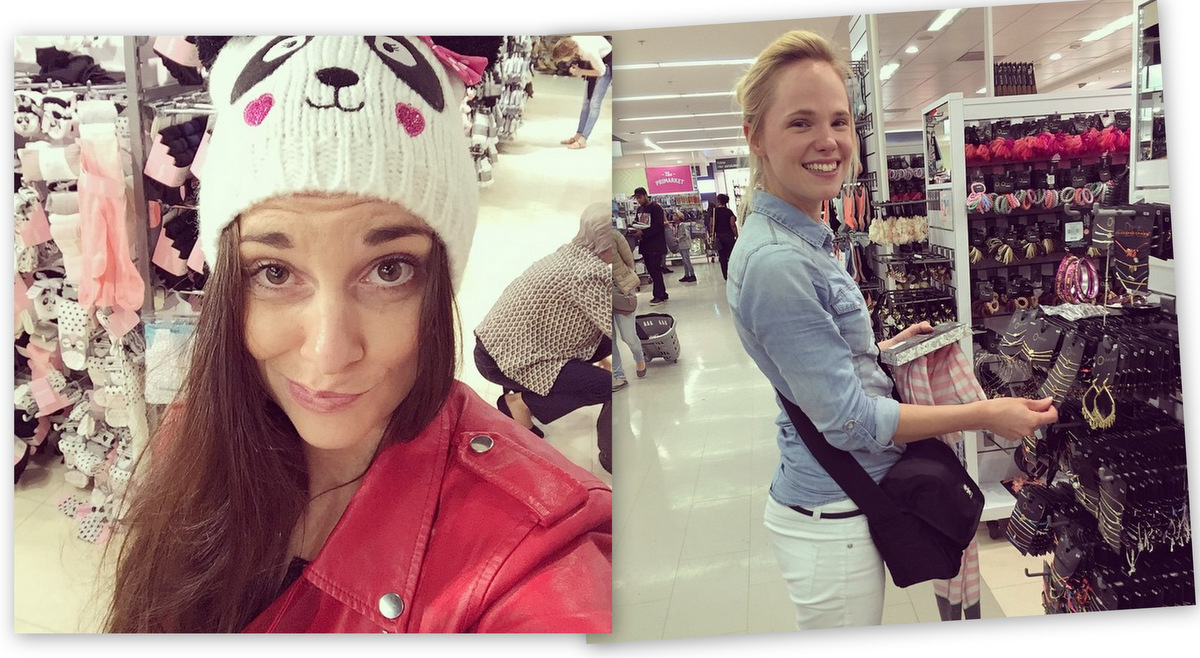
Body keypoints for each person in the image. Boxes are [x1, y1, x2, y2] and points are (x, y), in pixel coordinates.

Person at [103, 36, 611, 634]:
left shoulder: (534, 553)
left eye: (389, 270)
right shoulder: (192, 434)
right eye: (274, 272)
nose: (329, 353)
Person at [726, 30, 1059, 631]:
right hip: (833, 511)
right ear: (757, 137)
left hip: (837, 498)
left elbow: (811, 367)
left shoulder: (801, 237)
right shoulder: (779, 261)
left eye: (839, 121)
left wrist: (882, 351)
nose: (829, 141)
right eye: (800, 123)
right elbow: (850, 422)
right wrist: (986, 414)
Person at [473, 202, 613, 473]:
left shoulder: (569, 253)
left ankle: (527, 398)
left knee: (605, 349)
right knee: (607, 386)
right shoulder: (588, 273)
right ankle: (521, 403)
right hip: (506, 361)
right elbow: (613, 324)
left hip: (494, 347)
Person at [551, 35, 612, 150]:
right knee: (586, 103)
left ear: (568, 53)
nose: (563, 62)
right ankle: (578, 135)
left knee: (594, 104)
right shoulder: (573, 41)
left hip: (606, 65)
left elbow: (602, 72)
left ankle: (583, 139)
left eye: (562, 59)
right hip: (597, 62)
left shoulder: (588, 52)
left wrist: (581, 71)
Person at [611, 227, 646, 392]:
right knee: (609, 339)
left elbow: (628, 260)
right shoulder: (586, 243)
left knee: (628, 336)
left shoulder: (614, 235)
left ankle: (639, 357)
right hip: (598, 294)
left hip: (621, 289)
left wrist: (623, 280)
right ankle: (619, 376)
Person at [632, 187, 669, 305]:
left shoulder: (656, 208)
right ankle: (662, 293)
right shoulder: (640, 209)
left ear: (645, 195)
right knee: (652, 270)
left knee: (655, 270)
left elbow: (658, 226)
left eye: (640, 197)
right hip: (645, 245)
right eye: (637, 198)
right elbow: (637, 222)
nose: (639, 200)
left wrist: (643, 232)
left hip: (655, 245)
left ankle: (658, 295)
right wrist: (633, 228)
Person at [710, 193, 738, 280]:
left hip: (719, 237)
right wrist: (737, 235)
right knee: (732, 255)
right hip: (729, 236)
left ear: (718, 201)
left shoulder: (714, 211)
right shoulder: (729, 212)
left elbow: (711, 224)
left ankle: (726, 276)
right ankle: (733, 274)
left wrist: (711, 234)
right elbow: (732, 225)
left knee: (722, 257)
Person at [671, 210, 697, 282]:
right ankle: (686, 275)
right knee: (684, 261)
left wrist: (678, 239)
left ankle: (692, 275)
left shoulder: (683, 225)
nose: (673, 217)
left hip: (685, 245)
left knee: (687, 260)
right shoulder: (678, 226)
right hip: (681, 245)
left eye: (675, 215)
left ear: (679, 217)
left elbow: (686, 235)